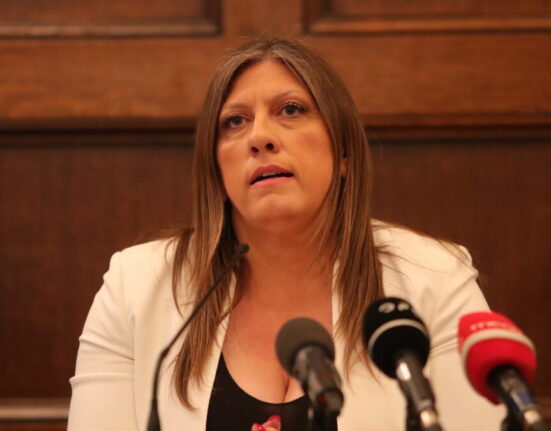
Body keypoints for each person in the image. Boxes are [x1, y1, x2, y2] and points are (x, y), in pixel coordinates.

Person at [68, 38, 504, 431]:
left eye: (291, 110)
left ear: (344, 152)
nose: (259, 137)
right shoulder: (135, 288)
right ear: (217, 169)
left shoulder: (434, 279)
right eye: (235, 121)